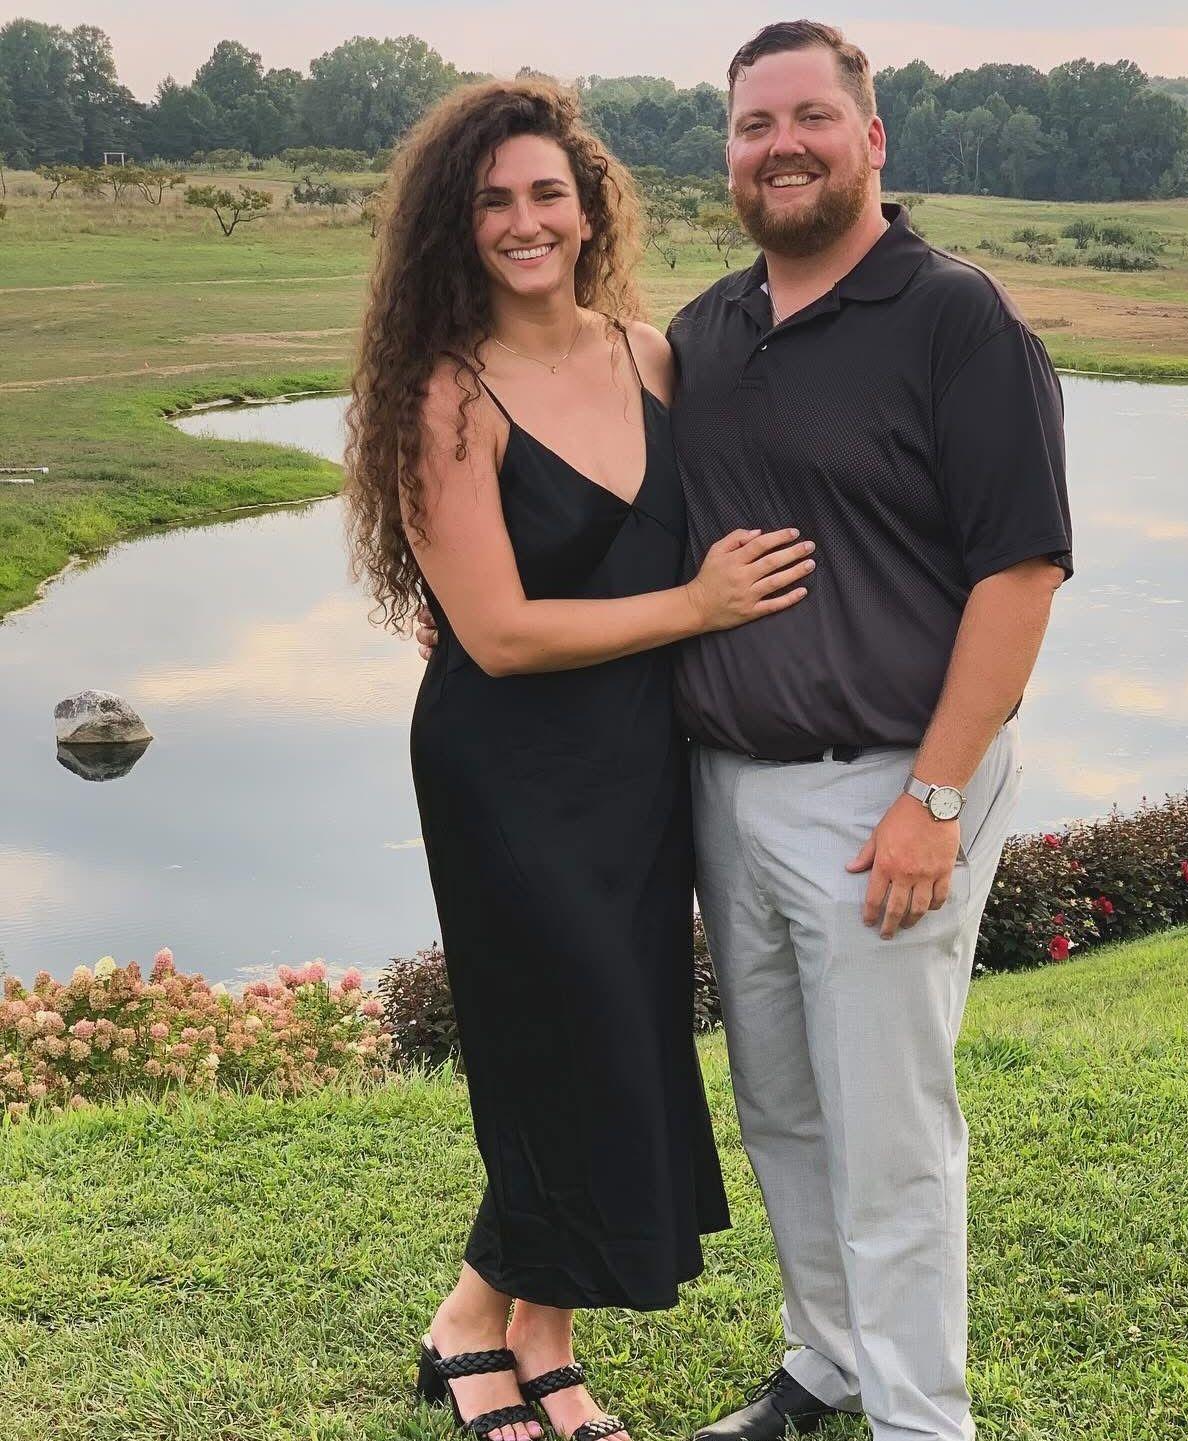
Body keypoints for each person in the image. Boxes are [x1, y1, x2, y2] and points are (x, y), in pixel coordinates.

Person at [419, 22, 1073, 1441]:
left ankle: (919, 1419)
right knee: (778, 1107)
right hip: (713, 788)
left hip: (888, 789)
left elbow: (1021, 575)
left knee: (890, 1131)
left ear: (871, 138)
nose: (783, 147)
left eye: (811, 118)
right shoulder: (705, 336)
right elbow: (557, 552)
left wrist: (936, 798)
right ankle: (825, 1359)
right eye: (753, 126)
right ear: (724, 155)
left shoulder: (955, 318)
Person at [346, 80, 816, 1441]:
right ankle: (470, 1327)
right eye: (492, 200)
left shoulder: (649, 356)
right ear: (455, 227)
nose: (524, 221)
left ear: (592, 206)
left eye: (547, 192)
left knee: (619, 1035)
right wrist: (698, 608)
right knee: (553, 1045)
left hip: (637, 765)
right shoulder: (445, 394)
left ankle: (532, 1335)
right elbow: (495, 634)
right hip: (508, 771)